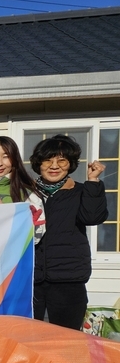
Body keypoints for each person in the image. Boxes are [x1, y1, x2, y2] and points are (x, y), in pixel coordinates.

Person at [29, 134, 107, 330]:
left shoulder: (81, 191)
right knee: (28, 336)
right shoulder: (26, 193)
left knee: (67, 338)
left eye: (62, 161)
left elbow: (92, 217)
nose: (54, 166)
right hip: (30, 279)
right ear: (39, 163)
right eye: (48, 160)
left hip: (69, 279)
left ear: (70, 164)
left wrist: (93, 181)